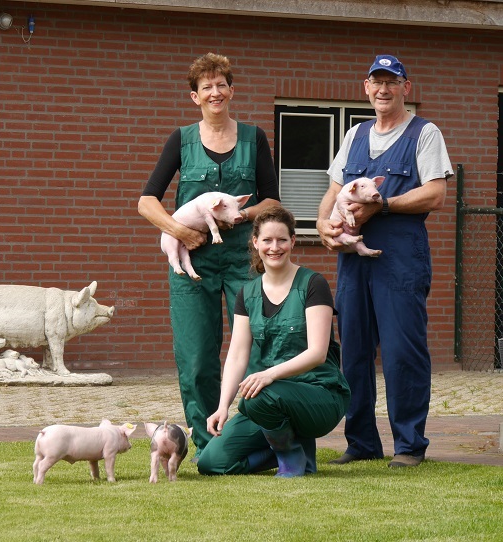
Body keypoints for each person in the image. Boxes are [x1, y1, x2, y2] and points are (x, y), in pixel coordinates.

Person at [138, 53, 281, 460]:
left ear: (231, 91)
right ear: (194, 96)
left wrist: (240, 216)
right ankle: (207, 446)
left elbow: (271, 199)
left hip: (246, 262)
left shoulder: (254, 138)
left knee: (257, 350)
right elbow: (146, 202)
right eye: (207, 87)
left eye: (221, 85)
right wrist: (179, 230)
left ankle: (255, 438)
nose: (215, 92)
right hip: (193, 264)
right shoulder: (181, 140)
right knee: (197, 355)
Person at [316, 54, 453, 468]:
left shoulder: (424, 133)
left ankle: (409, 445)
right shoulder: (354, 135)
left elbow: (435, 194)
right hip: (353, 262)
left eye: (392, 82)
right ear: (366, 87)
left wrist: (384, 205)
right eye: (376, 82)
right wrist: (322, 224)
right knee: (354, 350)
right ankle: (361, 442)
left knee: (401, 352)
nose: (383, 89)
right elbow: (334, 188)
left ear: (405, 88)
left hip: (401, 259)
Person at [197, 206, 351, 477]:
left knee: (254, 398)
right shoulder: (247, 293)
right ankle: (292, 450)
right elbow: (236, 356)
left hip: (319, 392)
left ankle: (291, 459)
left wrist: (268, 375)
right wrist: (222, 407)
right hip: (271, 400)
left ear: (293, 241)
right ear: (255, 243)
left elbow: (317, 352)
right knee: (212, 462)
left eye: (282, 239)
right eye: (267, 240)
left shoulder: (313, 284)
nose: (274, 247)